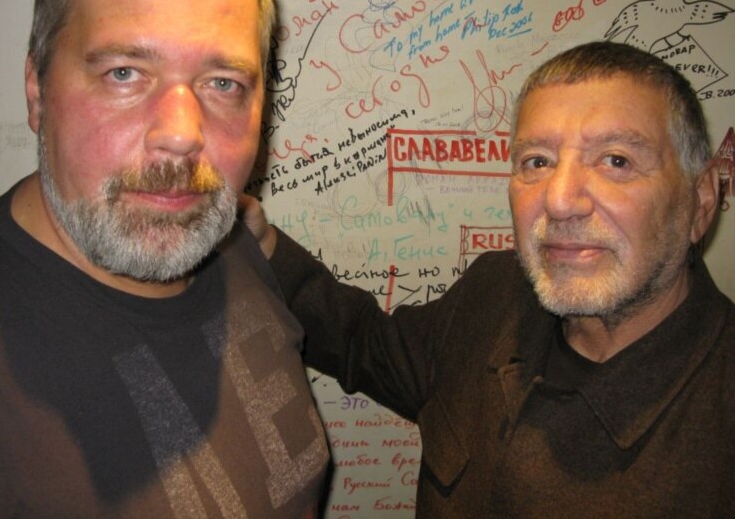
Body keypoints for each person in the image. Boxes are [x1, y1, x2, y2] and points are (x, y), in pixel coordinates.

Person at [0, 0, 329, 516]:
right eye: (124, 73)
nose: (181, 135)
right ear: (37, 90)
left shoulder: (230, 242)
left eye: (223, 83)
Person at [242, 41, 735, 517]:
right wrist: (260, 244)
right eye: (537, 162)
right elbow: (365, 344)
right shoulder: (496, 293)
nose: (560, 200)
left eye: (616, 161)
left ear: (701, 202)